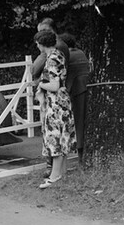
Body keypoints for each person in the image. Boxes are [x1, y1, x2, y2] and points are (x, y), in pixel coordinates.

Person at [33, 29, 76, 189]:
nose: (37, 46)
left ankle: (55, 175)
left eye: (38, 43)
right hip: (63, 100)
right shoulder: (59, 54)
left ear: (42, 44)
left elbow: (54, 85)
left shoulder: (51, 59)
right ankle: (62, 172)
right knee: (63, 135)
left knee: (54, 136)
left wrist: (40, 84)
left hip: (55, 102)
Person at [58, 33, 90, 165]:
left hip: (75, 92)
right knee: (82, 122)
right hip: (85, 89)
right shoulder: (81, 53)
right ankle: (81, 156)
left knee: (77, 124)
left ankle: (80, 158)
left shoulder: (68, 56)